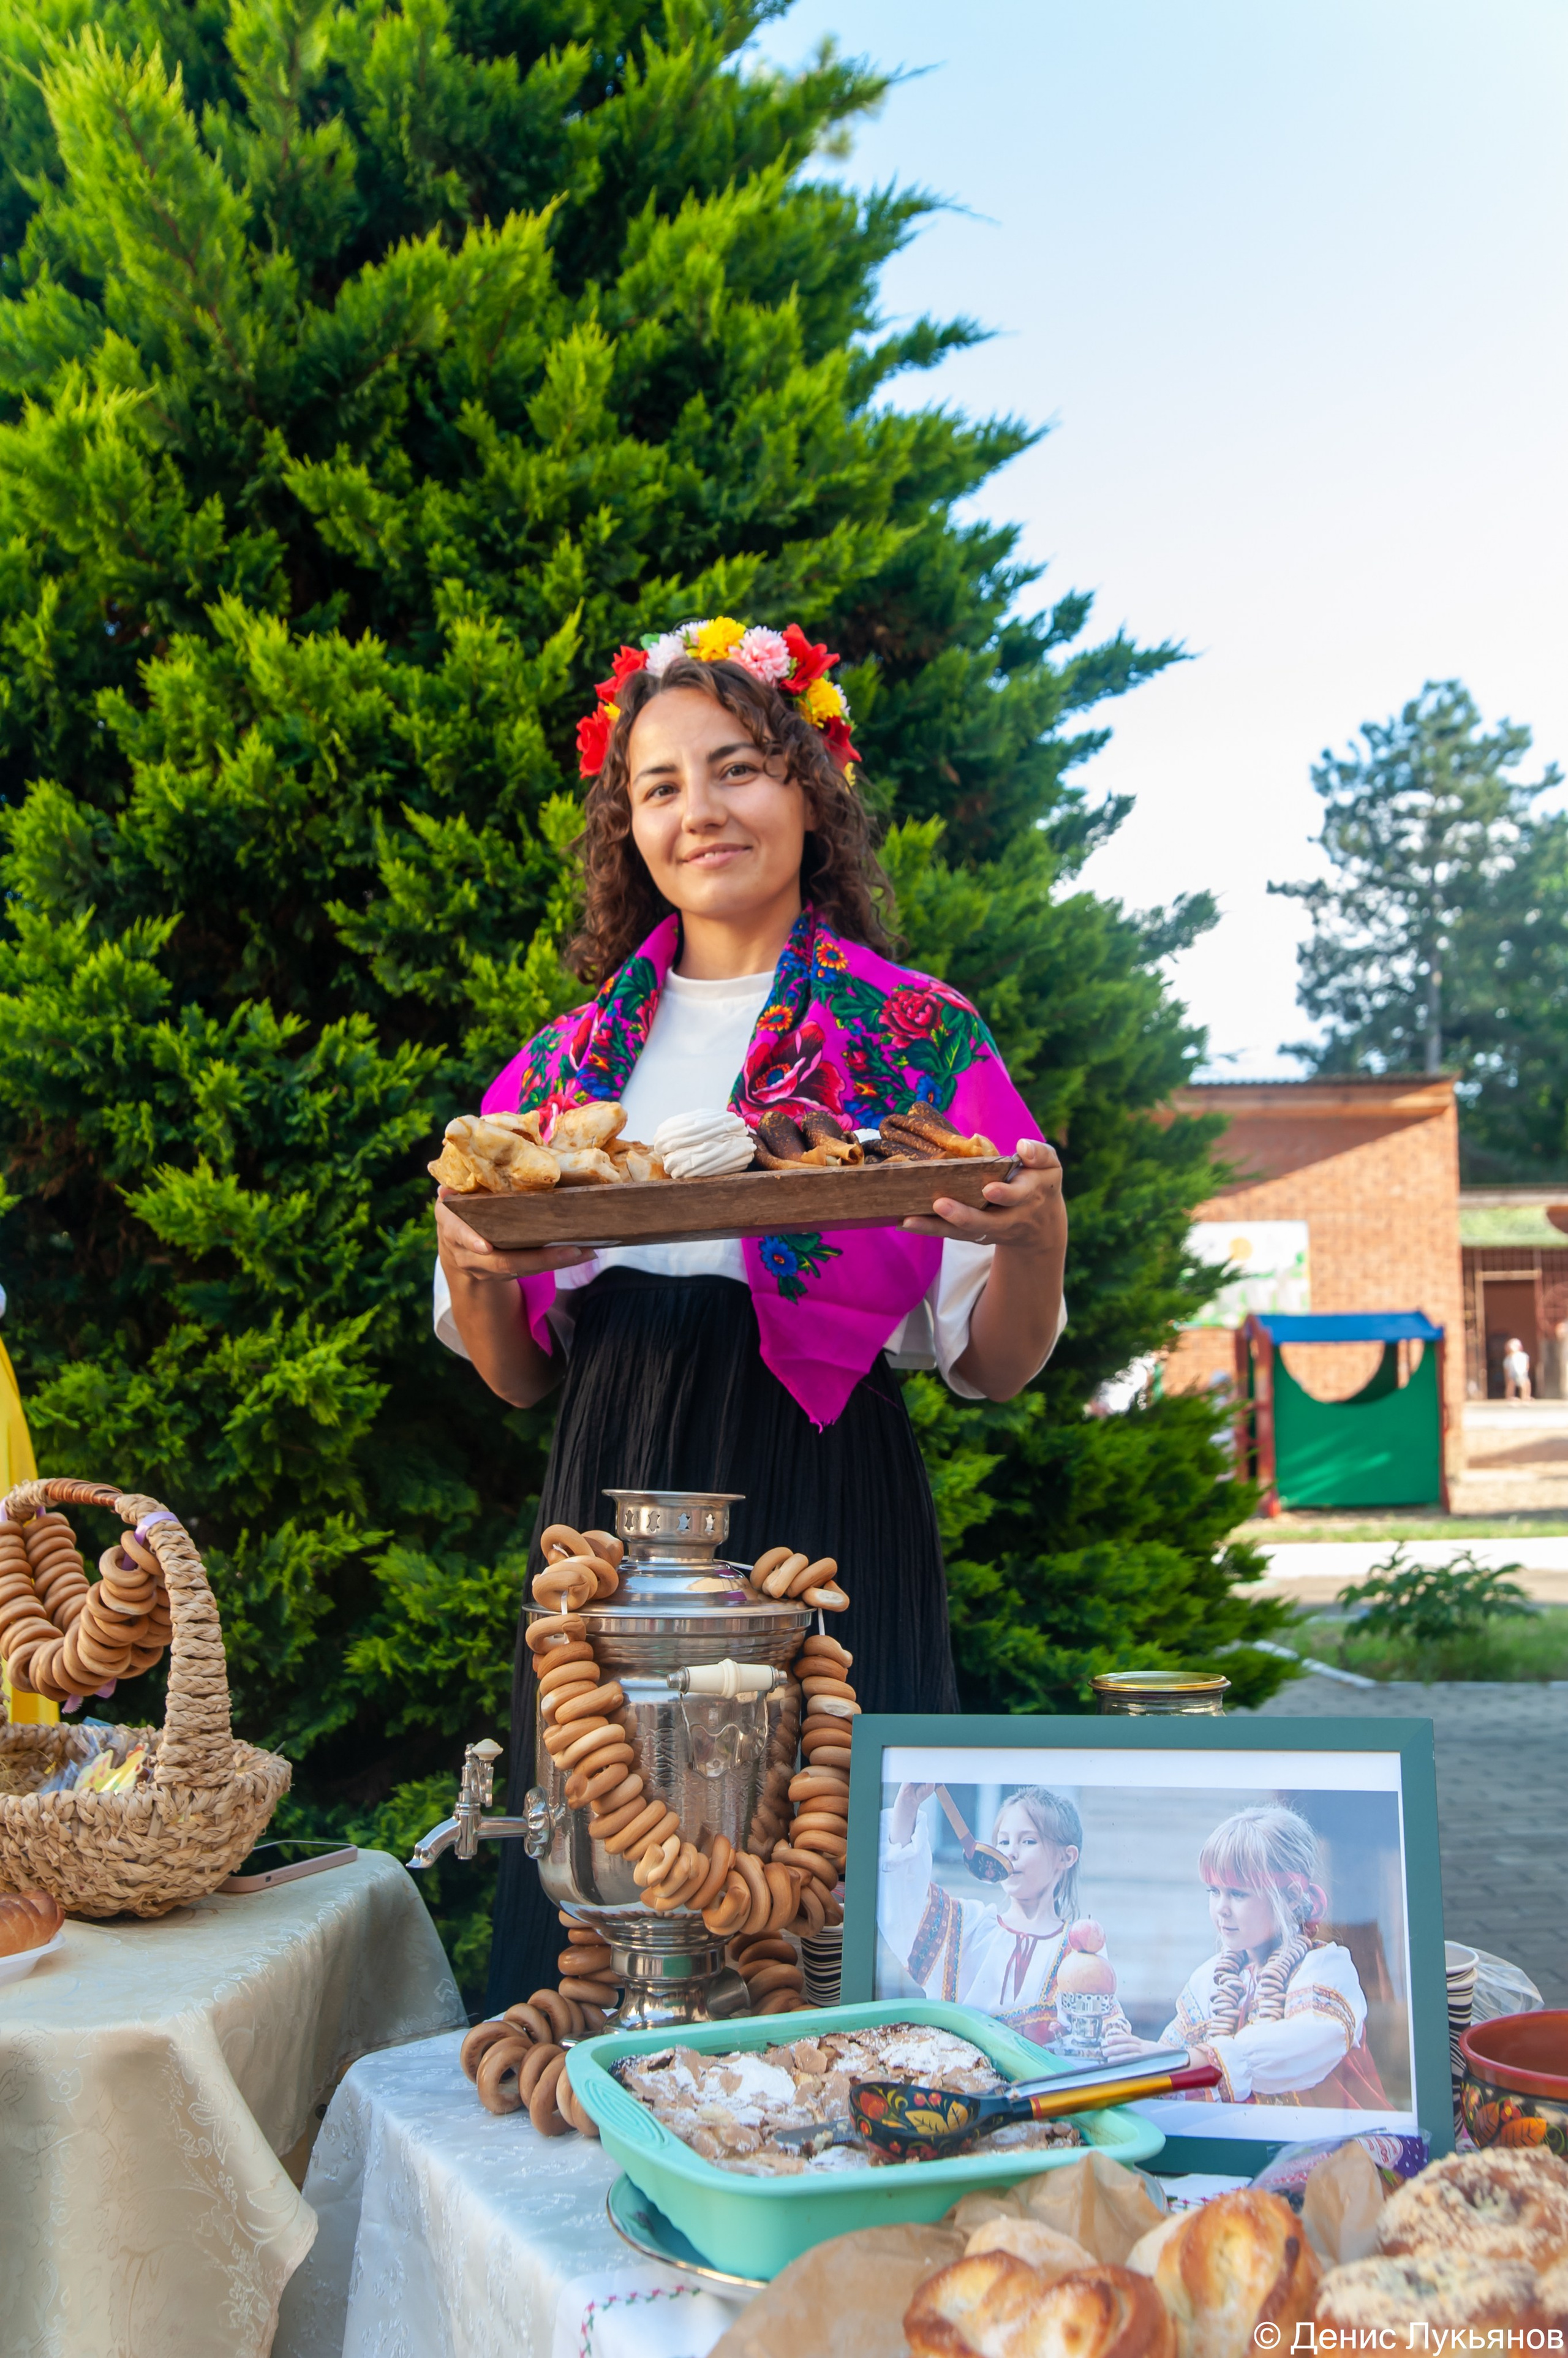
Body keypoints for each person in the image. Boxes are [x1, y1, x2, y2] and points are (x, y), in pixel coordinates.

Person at [433, 619, 1069, 2010]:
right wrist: (479, 1266)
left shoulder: (916, 1038)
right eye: (657, 785)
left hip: (817, 1471)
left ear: (808, 787)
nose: (698, 809)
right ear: (627, 825)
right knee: (612, 1851)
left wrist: (1037, 1237)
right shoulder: (561, 1067)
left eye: (736, 768)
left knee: (820, 1859)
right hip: (611, 1474)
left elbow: (997, 1360)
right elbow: (517, 1372)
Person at [1101, 1804, 1385, 2109]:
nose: (1221, 1908)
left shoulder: (1325, 1969)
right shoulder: (1209, 1981)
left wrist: (1192, 2060)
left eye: (1238, 1894)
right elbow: (1169, 2059)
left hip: (1331, 2147)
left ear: (1290, 1897)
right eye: (1214, 1892)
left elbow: (1306, 2042)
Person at [877, 1783, 1096, 2049]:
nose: (1011, 1852)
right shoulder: (968, 1927)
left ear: (1066, 1857)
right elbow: (903, 1904)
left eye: (1028, 1841)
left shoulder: (1078, 1950)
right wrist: (908, 1804)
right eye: (1003, 1841)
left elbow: (1093, 2041)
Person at [1502, 1336, 1532, 1402]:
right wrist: (1507, 1375)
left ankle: (1525, 1397)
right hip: (1513, 1373)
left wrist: (1526, 1370)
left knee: (1526, 1384)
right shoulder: (1509, 1358)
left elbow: (1527, 1364)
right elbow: (1507, 1367)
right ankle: (1510, 1397)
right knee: (1511, 1385)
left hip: (1522, 1373)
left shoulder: (1523, 1355)